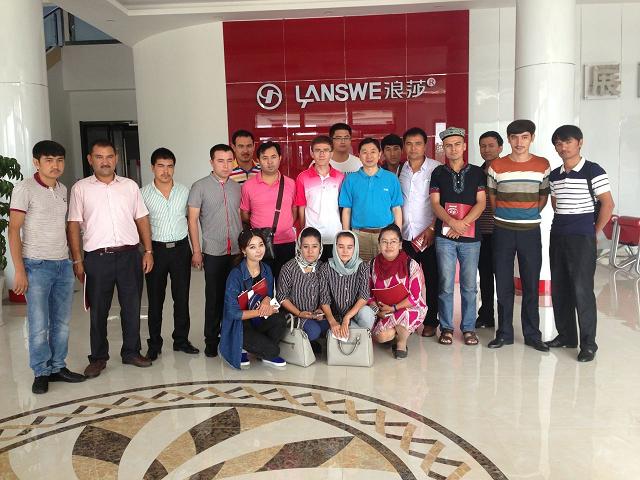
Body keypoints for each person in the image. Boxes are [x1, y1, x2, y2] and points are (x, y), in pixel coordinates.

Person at [68, 139, 154, 378]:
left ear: (115, 159)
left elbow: (141, 218)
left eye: (109, 157)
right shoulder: (80, 189)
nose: (105, 162)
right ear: (90, 160)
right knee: (98, 310)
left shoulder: (129, 186)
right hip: (97, 258)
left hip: (130, 255)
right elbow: (73, 225)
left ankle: (131, 352)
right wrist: (77, 260)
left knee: (132, 306)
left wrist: (148, 251)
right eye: (99, 157)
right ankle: (98, 358)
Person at [8, 140, 85, 394]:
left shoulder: (63, 189)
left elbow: (64, 227)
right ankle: (41, 372)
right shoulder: (25, 189)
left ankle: (57, 367)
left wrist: (73, 260)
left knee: (62, 322)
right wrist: (19, 270)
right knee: (39, 324)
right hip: (36, 265)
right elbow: (14, 230)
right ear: (36, 162)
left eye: (59, 160)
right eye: (49, 160)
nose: (55, 165)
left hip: (62, 264)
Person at [547, 125, 614, 362]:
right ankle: (566, 336)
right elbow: (555, 203)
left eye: (568, 142)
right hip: (558, 235)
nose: (563, 147)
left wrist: (593, 231)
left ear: (580, 142)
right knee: (560, 287)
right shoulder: (555, 175)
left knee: (582, 290)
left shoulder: (593, 170)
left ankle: (588, 344)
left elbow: (608, 204)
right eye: (558, 143)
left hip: (582, 238)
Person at [486, 119, 550, 352]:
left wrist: (527, 214)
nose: (519, 142)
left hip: (530, 231)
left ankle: (532, 334)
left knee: (531, 283)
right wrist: (508, 215)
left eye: (524, 137)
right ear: (509, 139)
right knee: (503, 283)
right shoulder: (496, 166)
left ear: (532, 138)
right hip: (502, 230)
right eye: (514, 137)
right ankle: (504, 333)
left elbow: (543, 197)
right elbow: (493, 198)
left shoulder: (542, 165)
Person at [430, 127, 486, 346]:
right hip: (445, 237)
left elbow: (481, 202)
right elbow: (435, 204)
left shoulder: (477, 173)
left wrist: (463, 224)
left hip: (471, 238)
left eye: (456, 144)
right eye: (448, 145)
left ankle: (469, 328)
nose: (452, 149)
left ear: (464, 146)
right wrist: (452, 222)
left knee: (469, 285)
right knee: (445, 284)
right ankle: (446, 327)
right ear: (443, 148)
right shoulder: (438, 173)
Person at [141, 147, 199, 361]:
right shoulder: (142, 194)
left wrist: (196, 250)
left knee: (181, 298)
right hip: (156, 250)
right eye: (160, 166)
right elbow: (139, 224)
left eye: (169, 166)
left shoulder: (184, 191)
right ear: (152, 168)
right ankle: (154, 344)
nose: (165, 171)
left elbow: (192, 222)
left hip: (181, 249)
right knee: (155, 300)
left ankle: (181, 340)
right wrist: (146, 251)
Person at [188, 144, 243, 358]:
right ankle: (211, 340)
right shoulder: (199, 187)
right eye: (220, 161)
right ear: (211, 162)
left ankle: (232, 337)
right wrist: (197, 250)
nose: (226, 165)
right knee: (214, 298)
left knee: (236, 297)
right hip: (213, 251)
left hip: (236, 252)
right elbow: (192, 220)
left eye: (230, 161)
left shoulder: (237, 187)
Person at [219, 230, 288, 369]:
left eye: (261, 245)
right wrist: (261, 311)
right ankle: (241, 346)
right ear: (243, 250)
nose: (258, 250)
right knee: (273, 351)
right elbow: (233, 313)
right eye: (252, 247)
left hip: (257, 320)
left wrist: (267, 300)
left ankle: (261, 347)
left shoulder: (266, 269)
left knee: (280, 319)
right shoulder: (235, 275)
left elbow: (269, 294)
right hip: (240, 325)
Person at [399, 127, 441, 338]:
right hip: (406, 236)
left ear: (425, 146)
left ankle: (431, 321)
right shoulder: (400, 170)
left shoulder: (436, 169)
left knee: (433, 280)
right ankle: (409, 319)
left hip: (429, 235)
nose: (413, 148)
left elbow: (442, 202)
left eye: (418, 143)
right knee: (408, 281)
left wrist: (433, 227)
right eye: (409, 144)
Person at [339, 137, 403, 261]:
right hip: (359, 236)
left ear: (379, 154)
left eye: (373, 152)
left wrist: (398, 236)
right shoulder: (350, 180)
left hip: (386, 237)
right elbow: (346, 210)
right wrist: (346, 236)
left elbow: (396, 209)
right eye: (364, 152)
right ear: (359, 155)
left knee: (385, 270)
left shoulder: (391, 178)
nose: (369, 156)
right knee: (361, 270)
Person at [368, 224, 427, 358]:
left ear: (400, 244)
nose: (388, 246)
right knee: (382, 337)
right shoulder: (371, 265)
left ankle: (401, 342)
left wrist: (394, 308)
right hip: (383, 310)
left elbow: (415, 297)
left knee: (404, 316)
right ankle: (397, 333)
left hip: (407, 308)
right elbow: (368, 294)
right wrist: (377, 310)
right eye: (384, 241)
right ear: (379, 244)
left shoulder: (411, 264)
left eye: (393, 242)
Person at [240, 141, 297, 281]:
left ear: (280, 158)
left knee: (286, 284)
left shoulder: (291, 183)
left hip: (286, 242)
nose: (270, 162)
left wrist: (285, 225)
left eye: (273, 157)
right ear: (258, 160)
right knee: (262, 284)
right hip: (260, 244)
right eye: (265, 158)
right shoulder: (248, 186)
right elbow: (244, 214)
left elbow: (294, 211)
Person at [319, 230, 376, 339]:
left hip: (354, 313)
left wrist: (347, 318)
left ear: (355, 248)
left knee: (367, 313)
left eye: (349, 247)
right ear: (335, 247)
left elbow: (364, 296)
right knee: (346, 336)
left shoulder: (362, 266)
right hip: (334, 315)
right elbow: (324, 299)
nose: (345, 251)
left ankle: (363, 340)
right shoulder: (326, 268)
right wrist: (332, 322)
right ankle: (359, 337)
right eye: (341, 247)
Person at [295, 135, 344, 261]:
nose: (322, 154)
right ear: (312, 153)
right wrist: (304, 232)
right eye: (317, 150)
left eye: (326, 150)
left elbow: (343, 208)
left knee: (333, 271)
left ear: (331, 153)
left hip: (335, 234)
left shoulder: (340, 177)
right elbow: (301, 207)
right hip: (312, 238)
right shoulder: (302, 177)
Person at [277, 227, 326, 351]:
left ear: (320, 247)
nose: (310, 251)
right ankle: (306, 341)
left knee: (331, 325)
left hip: (315, 315)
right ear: (299, 247)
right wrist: (299, 313)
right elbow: (282, 297)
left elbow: (325, 294)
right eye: (305, 246)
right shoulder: (288, 268)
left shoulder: (322, 267)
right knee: (314, 331)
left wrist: (320, 309)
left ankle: (309, 341)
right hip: (294, 315)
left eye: (314, 246)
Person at [475, 131, 503, 328]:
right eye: (483, 146)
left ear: (500, 147)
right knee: (484, 276)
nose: (487, 149)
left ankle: (505, 318)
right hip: (481, 233)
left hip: (502, 232)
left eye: (491, 145)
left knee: (502, 276)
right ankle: (486, 315)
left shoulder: (507, 172)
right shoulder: (477, 173)